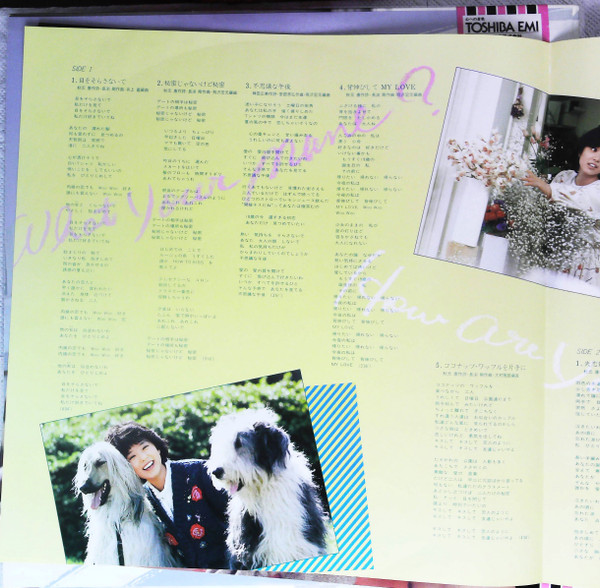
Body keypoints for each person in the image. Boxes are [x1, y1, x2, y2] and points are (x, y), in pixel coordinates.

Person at [105, 421, 229, 569]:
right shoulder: (144, 500)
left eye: (145, 447)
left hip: (234, 569)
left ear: (157, 447)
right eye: (132, 457)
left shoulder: (200, 472)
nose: (143, 457)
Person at [523, 125, 600, 287]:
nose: (597, 158)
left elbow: (577, 199)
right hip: (554, 254)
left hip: (585, 265)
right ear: (581, 151)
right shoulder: (564, 177)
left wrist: (546, 187)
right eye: (594, 149)